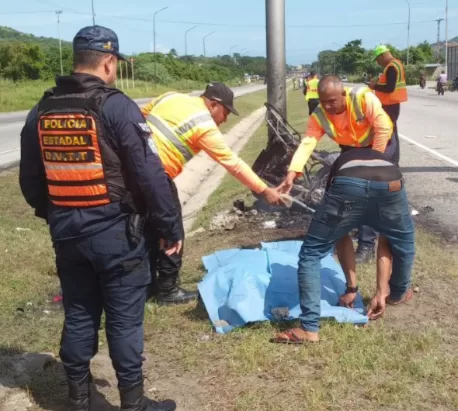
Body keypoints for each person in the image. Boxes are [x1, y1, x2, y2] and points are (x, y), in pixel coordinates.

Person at [19, 25, 181, 411]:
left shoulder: (41, 110)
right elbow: (149, 175)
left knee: (78, 313)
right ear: (109, 62)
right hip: (116, 236)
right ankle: (134, 403)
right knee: (124, 320)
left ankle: (78, 399)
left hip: (67, 235)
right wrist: (169, 227)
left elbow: (30, 179)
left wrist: (56, 214)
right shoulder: (116, 105)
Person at [141, 82, 282, 305]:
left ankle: (146, 285)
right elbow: (232, 162)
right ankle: (167, 290)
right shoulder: (204, 124)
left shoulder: (170, 96)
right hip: (157, 177)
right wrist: (264, 190)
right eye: (225, 112)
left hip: (132, 171)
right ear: (213, 104)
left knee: (147, 229)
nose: (224, 120)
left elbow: (138, 118)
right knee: (172, 227)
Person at [271, 146, 415, 343]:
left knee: (311, 253)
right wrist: (380, 292)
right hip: (391, 183)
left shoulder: (341, 161)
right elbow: (385, 241)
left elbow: (341, 235)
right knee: (402, 242)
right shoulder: (383, 158)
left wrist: (351, 289)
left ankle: (309, 329)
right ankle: (395, 295)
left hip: (349, 184)